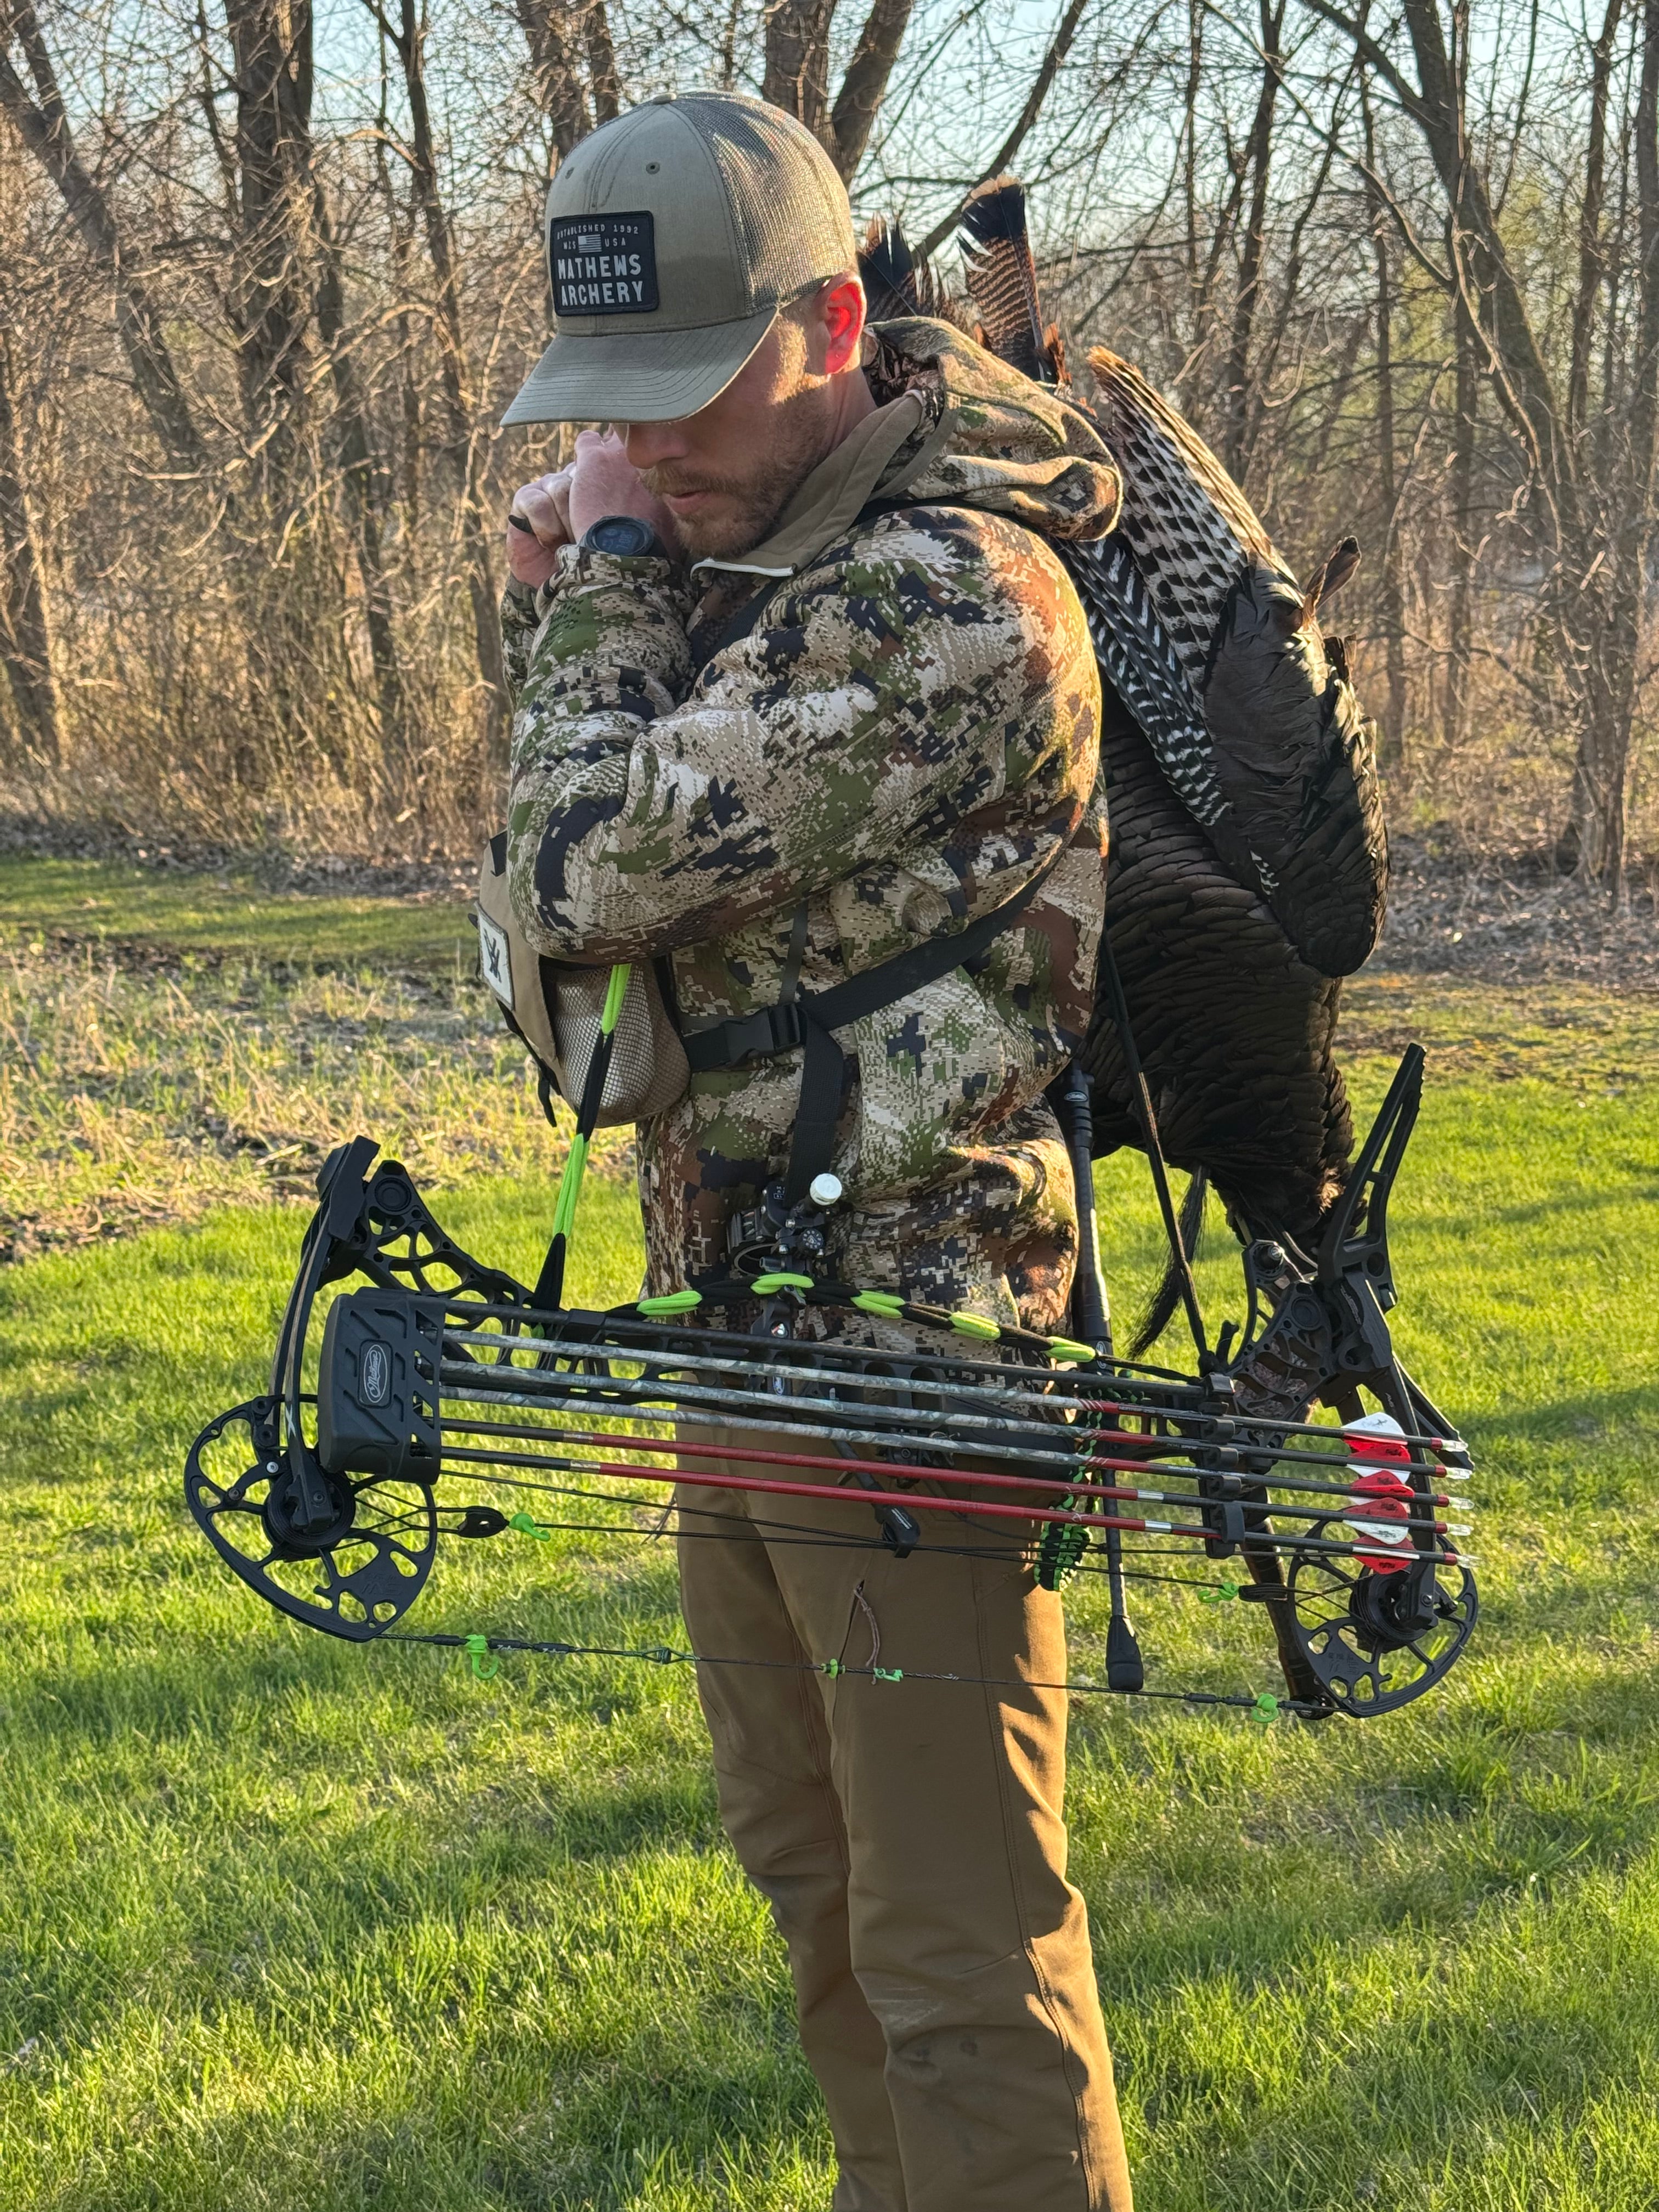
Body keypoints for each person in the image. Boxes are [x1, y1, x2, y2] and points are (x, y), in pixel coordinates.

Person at [500, 89, 1133, 2212]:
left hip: (917, 1375)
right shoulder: (767, 567)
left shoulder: (957, 603)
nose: (644, 454)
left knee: (957, 1951)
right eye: (611, 414)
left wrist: (590, 577)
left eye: (682, 401)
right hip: (745, 1336)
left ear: (839, 322)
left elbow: (584, 857)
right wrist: (619, 579)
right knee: (818, 1897)